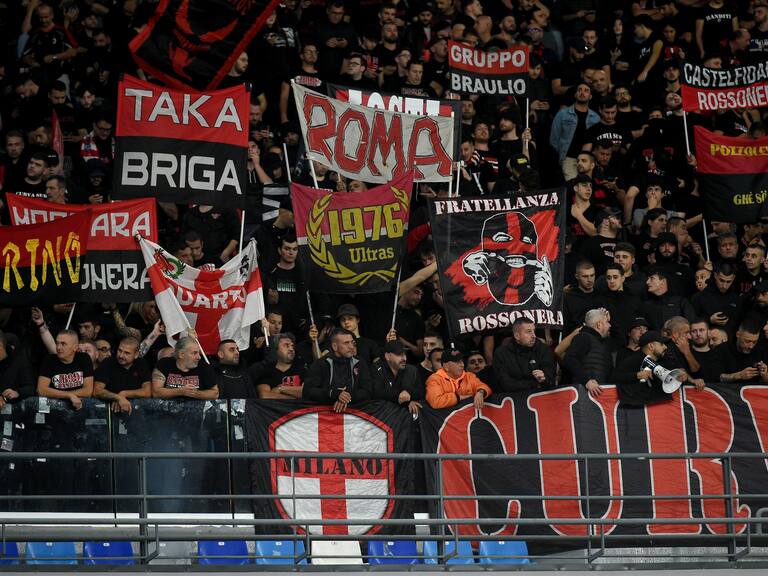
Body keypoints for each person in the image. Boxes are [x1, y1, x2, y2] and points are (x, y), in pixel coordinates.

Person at [303, 328, 373, 411]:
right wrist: (333, 394)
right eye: (346, 343)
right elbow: (308, 391)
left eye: (352, 342)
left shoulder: (360, 363)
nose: (351, 346)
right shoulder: (320, 364)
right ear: (334, 346)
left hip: (355, 416)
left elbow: (368, 391)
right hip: (325, 416)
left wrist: (346, 397)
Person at [492, 318, 556, 392]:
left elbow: (551, 378)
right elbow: (506, 384)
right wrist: (535, 384)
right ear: (517, 336)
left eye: (534, 331)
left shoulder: (543, 349)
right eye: (529, 332)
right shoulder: (501, 353)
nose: (534, 336)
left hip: (541, 396)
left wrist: (544, 379)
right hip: (513, 398)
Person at [614, 331, 676, 406]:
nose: (665, 347)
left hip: (657, 407)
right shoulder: (632, 361)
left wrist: (679, 376)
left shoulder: (664, 360)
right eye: (661, 344)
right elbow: (615, 377)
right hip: (636, 409)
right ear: (651, 346)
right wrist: (636, 375)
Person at [37, 329, 94, 410]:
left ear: (75, 347)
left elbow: (88, 391)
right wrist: (69, 396)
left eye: (63, 344)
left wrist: (60, 394)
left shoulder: (84, 358)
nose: (58, 347)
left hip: (79, 409)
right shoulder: (49, 360)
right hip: (55, 408)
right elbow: (41, 390)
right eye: (57, 343)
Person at [93, 336, 152, 413]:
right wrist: (117, 397)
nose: (121, 355)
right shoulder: (108, 363)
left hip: (136, 412)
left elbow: (147, 392)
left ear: (136, 354)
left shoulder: (141, 364)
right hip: (108, 411)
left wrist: (124, 394)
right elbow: (97, 391)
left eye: (126, 353)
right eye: (119, 350)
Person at [563, 308, 613, 397]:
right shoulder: (584, 337)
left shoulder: (602, 343)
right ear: (599, 325)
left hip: (598, 395)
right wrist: (586, 381)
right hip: (583, 396)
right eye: (607, 322)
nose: (610, 325)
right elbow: (570, 358)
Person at [151, 337, 219, 400]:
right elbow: (156, 393)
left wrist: (193, 393)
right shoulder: (164, 364)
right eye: (194, 353)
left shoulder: (204, 366)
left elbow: (215, 394)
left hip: (195, 410)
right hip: (166, 411)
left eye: (199, 353)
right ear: (181, 354)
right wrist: (180, 391)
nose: (199, 357)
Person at [425, 347, 491, 409]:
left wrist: (481, 392)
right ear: (446, 366)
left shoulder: (469, 376)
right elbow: (435, 401)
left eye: (462, 361)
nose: (462, 365)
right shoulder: (434, 379)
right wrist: (459, 398)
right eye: (457, 362)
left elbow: (484, 386)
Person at [372, 340, 424, 415]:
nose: (404, 358)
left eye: (404, 354)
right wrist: (401, 398)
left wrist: (409, 394)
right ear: (387, 356)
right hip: (383, 415)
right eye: (399, 355)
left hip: (402, 416)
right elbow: (377, 393)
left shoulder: (411, 370)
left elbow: (421, 392)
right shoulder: (376, 369)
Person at [251, 333, 306, 399]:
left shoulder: (302, 369)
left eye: (292, 346)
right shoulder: (267, 371)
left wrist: (281, 389)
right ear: (276, 349)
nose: (291, 349)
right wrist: (295, 397)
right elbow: (264, 396)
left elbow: (307, 392)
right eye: (286, 345)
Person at [0, 331, 35, 408]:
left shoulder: (20, 361)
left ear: (1, 345)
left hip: (15, 411)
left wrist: (17, 392)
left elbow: (31, 388)